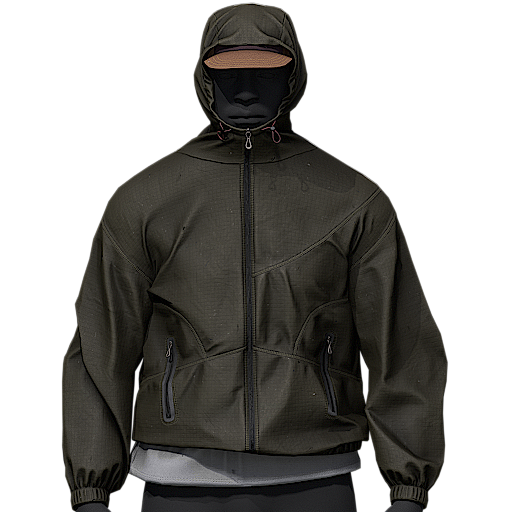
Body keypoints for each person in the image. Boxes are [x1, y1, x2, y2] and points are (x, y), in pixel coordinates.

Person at [63, 4, 447, 511]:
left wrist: (408, 486)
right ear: (204, 78)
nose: (245, 91)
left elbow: (402, 344)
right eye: (229, 74)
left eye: (265, 74)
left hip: (318, 476)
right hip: (176, 478)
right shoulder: (144, 201)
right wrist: (91, 488)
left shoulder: (354, 200)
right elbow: (101, 346)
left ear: (293, 76)